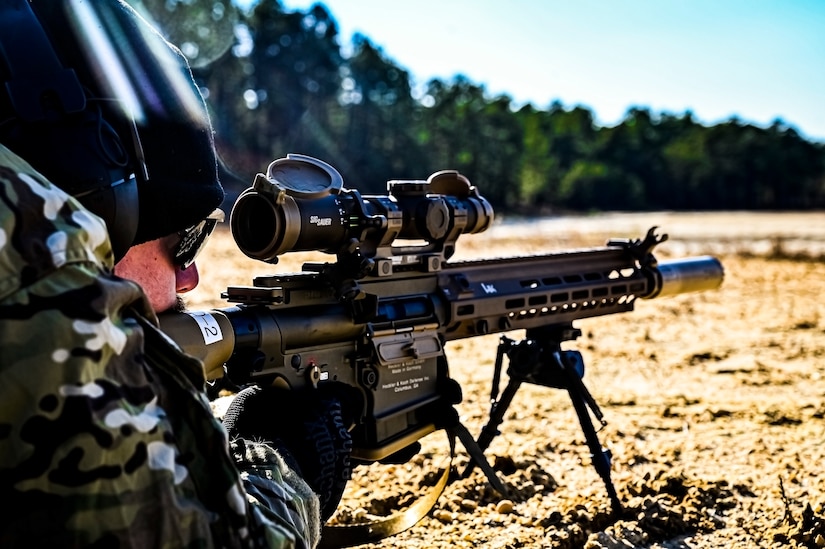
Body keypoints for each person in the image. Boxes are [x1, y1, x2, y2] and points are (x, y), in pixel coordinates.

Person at [0, 1, 338, 546]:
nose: (191, 279)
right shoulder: (24, 248)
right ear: (91, 199)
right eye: (184, 239)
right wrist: (284, 460)